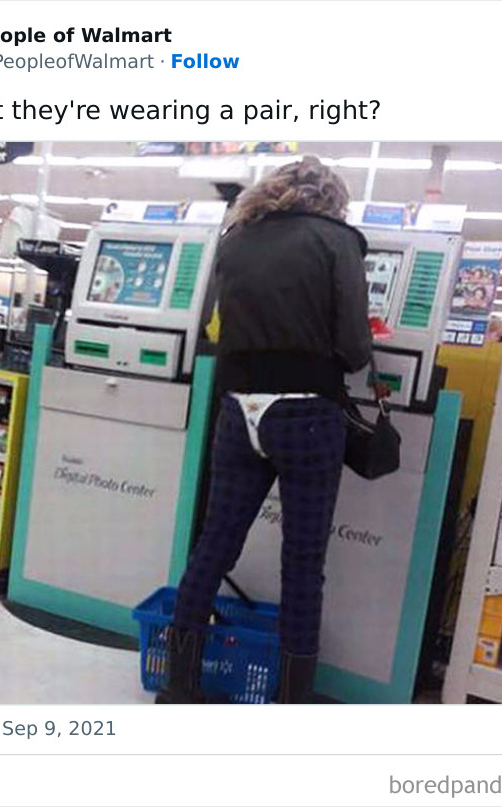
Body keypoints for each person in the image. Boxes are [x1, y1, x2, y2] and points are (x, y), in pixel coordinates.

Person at [157, 156, 373, 704]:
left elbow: (218, 323)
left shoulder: (236, 238)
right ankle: (290, 700)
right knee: (302, 560)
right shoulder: (337, 240)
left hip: (238, 411)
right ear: (332, 199)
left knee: (215, 544)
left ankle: (178, 685)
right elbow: (353, 348)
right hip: (305, 416)